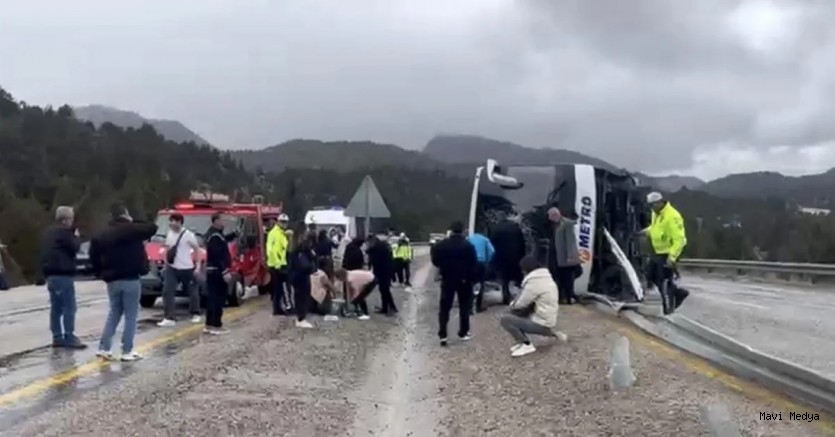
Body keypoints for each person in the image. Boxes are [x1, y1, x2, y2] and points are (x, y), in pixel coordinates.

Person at [90, 203, 158, 360]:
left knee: (114, 312)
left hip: (111, 279)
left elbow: (93, 256)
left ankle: (104, 347)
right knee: (131, 315)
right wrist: (134, 220)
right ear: (126, 215)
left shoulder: (102, 234)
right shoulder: (131, 229)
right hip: (130, 277)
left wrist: (100, 272)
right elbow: (152, 227)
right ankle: (127, 350)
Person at [500, 256, 565, 357]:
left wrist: (512, 305)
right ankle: (523, 342)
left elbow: (520, 304)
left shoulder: (535, 282)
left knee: (506, 319)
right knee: (514, 315)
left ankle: (526, 344)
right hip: (547, 320)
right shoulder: (545, 278)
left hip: (542, 322)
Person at [39, 206, 85, 349]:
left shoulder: (48, 233)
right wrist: (76, 236)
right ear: (65, 220)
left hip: (51, 275)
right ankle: (69, 336)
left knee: (56, 308)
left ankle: (57, 336)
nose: (72, 221)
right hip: (63, 274)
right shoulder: (65, 233)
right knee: (69, 307)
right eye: (71, 218)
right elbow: (75, 247)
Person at [431, 221, 478, 346]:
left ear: (451, 231)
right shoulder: (468, 246)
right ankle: (463, 332)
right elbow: (474, 263)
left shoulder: (442, 245)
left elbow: (435, 260)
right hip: (464, 280)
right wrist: (471, 277)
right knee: (464, 307)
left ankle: (443, 335)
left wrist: (443, 268)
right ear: (463, 231)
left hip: (447, 279)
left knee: (445, 307)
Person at [641, 192, 689, 315]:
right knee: (650, 275)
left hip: (668, 253)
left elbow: (680, 239)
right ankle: (678, 293)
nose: (651, 208)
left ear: (660, 202)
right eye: (650, 205)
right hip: (658, 252)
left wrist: (672, 257)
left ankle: (669, 308)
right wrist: (645, 232)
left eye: (653, 205)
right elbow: (655, 228)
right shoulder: (655, 214)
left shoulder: (672, 216)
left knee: (664, 281)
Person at [158, 213, 202, 327]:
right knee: (167, 291)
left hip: (186, 267)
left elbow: (197, 249)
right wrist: (165, 263)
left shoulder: (188, 235)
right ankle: (169, 317)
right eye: (170, 221)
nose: (171, 224)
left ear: (179, 222)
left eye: (173, 221)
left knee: (192, 291)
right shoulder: (169, 233)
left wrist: (197, 266)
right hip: (172, 267)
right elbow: (167, 248)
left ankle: (195, 313)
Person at [203, 213, 233, 334]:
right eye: (222, 220)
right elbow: (218, 254)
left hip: (213, 270)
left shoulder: (214, 234)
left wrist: (234, 234)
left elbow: (224, 240)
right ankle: (216, 324)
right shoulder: (215, 236)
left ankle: (209, 324)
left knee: (212, 298)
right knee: (218, 298)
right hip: (217, 271)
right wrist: (225, 270)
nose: (224, 222)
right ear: (215, 221)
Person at [546, 207, 581, 305]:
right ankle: (562, 297)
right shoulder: (555, 225)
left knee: (568, 278)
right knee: (560, 277)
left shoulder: (567, 224)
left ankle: (569, 297)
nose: (549, 219)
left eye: (550, 216)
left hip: (565, 256)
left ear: (555, 215)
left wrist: (570, 255)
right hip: (557, 256)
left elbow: (570, 241)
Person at [490, 216, 526, 305]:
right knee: (518, 277)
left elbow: (491, 243)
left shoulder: (496, 228)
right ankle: (521, 297)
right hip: (515, 256)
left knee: (504, 278)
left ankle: (505, 296)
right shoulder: (515, 228)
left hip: (500, 256)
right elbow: (521, 243)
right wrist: (522, 255)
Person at [290, 234, 317, 328]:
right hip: (302, 276)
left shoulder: (294, 252)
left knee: (299, 297)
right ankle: (301, 318)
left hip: (296, 276)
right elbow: (309, 265)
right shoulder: (305, 253)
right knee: (302, 297)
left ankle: (300, 317)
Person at [366, 235, 398, 315]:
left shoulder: (380, 247)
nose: (368, 244)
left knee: (385, 290)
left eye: (369, 243)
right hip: (382, 271)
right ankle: (385, 308)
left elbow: (377, 260)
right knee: (382, 290)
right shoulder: (379, 246)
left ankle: (392, 308)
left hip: (385, 271)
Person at [267, 213, 291, 315]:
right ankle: (287, 307)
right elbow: (272, 251)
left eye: (285, 222)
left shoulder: (281, 233)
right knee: (283, 287)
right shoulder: (275, 233)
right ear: (278, 222)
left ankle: (277, 308)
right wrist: (278, 265)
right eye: (282, 222)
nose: (284, 224)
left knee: (278, 289)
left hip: (279, 264)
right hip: (277, 265)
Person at [466, 230, 495, 313]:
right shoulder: (485, 240)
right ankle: (478, 306)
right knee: (480, 283)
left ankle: (468, 306)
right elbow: (492, 251)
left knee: (469, 283)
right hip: (481, 264)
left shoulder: (469, 239)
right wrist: (487, 260)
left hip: (470, 263)